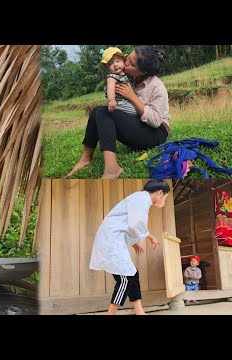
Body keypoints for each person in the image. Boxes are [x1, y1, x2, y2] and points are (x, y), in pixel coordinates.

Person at [67, 46, 171, 179]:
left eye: (131, 63)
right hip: (137, 124)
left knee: (104, 112)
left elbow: (156, 121)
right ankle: (86, 158)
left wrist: (132, 96)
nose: (125, 62)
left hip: (155, 133)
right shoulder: (126, 77)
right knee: (97, 111)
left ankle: (112, 169)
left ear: (143, 71)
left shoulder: (157, 87)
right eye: (127, 58)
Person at [89, 179, 170, 315]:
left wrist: (134, 243)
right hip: (112, 239)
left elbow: (126, 223)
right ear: (160, 193)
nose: (164, 201)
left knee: (132, 274)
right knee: (125, 278)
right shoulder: (142, 200)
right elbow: (136, 223)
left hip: (114, 238)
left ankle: (139, 311)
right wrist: (150, 237)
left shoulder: (140, 198)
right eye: (165, 198)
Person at [100, 47, 137, 115]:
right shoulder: (112, 77)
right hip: (119, 103)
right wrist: (111, 100)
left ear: (123, 61)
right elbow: (110, 89)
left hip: (127, 100)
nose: (115, 65)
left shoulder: (125, 74)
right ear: (107, 67)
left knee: (138, 106)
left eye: (117, 61)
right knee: (136, 112)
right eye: (110, 64)